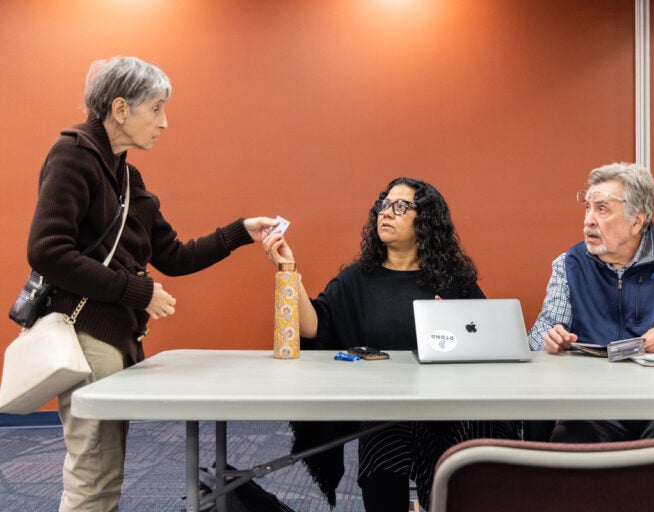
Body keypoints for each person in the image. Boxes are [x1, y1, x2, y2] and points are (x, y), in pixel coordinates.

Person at [25, 56, 278, 512]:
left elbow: (174, 256)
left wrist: (242, 231)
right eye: (157, 108)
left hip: (112, 339)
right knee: (94, 478)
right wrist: (137, 291)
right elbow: (47, 251)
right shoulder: (73, 154)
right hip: (88, 339)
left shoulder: (125, 175)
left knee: (103, 475)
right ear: (121, 109)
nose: (165, 122)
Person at [263, 177, 519, 512]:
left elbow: (487, 340)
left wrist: (452, 325)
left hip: (446, 409)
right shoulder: (358, 278)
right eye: (384, 204)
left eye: (401, 206)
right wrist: (287, 267)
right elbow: (314, 326)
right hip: (386, 412)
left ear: (425, 219)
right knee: (382, 476)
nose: (387, 212)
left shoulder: (452, 280)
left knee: (463, 478)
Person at [527, 162, 654, 445]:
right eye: (587, 208)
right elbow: (539, 335)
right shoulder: (569, 265)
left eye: (602, 209)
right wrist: (550, 338)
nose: (588, 220)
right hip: (594, 403)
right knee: (570, 443)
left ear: (637, 220)